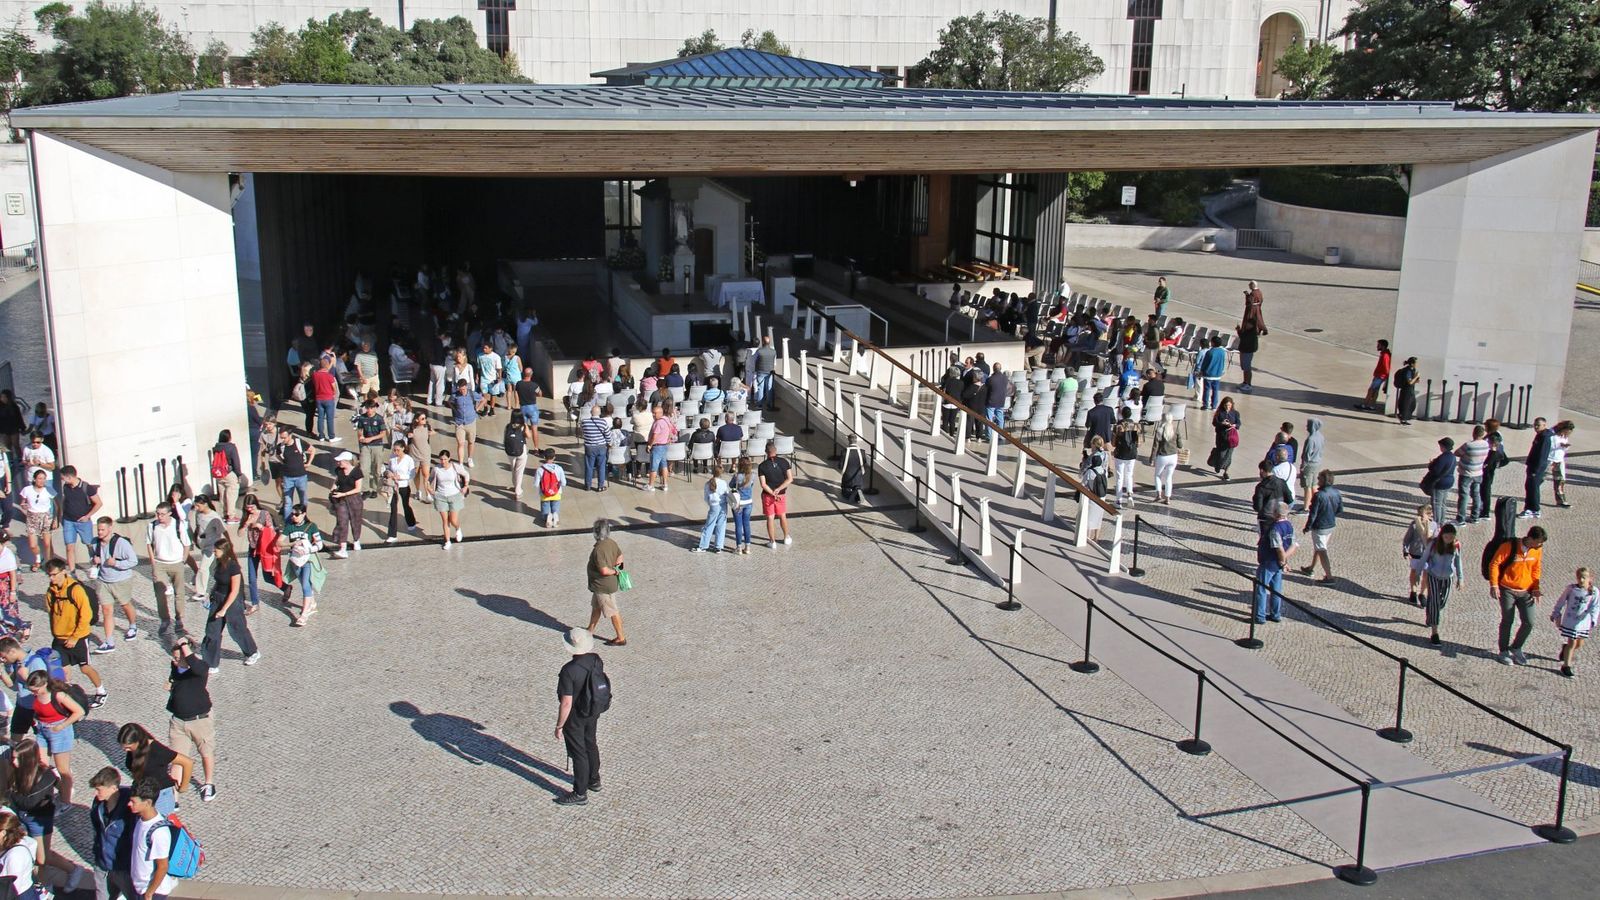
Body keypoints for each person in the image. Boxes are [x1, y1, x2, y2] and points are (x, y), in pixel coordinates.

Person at [9, 733, 87, 890]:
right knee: (37, 854)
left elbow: (29, 801)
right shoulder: (19, 772)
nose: (13, 761)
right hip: (24, 817)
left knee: (41, 857)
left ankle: (64, 874)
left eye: (17, 758)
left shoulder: (45, 776)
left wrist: (62, 801)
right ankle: (45, 883)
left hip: (39, 819)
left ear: (27, 759)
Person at [554, 628, 607, 806]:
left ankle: (580, 792)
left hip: (575, 716)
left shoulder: (568, 671)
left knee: (578, 752)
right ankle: (594, 780)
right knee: (590, 743)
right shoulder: (595, 660)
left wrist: (559, 725)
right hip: (592, 709)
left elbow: (566, 703)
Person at [43, 559, 106, 708]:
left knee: (85, 668)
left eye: (54, 575)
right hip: (59, 638)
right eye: (49, 575)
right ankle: (67, 697)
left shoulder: (75, 590)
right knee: (63, 670)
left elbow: (86, 615)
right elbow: (50, 610)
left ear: (63, 572)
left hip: (77, 638)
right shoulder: (51, 591)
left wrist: (75, 636)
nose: (51, 578)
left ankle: (101, 691)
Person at [165, 637, 216, 801]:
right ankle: (174, 798)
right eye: (174, 657)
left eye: (179, 658)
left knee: (205, 752)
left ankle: (208, 783)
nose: (176, 660)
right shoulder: (175, 668)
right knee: (177, 759)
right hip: (178, 721)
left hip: (200, 720)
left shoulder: (199, 668)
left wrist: (185, 647)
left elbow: (198, 667)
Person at [1489, 524, 1545, 666]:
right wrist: (1494, 585)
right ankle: (1503, 651)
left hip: (1526, 591)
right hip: (1507, 589)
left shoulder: (1537, 550)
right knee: (1507, 620)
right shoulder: (1509, 547)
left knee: (1529, 622)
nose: (1540, 546)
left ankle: (1516, 647)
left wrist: (1535, 588)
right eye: (1538, 542)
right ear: (1530, 538)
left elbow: (1536, 569)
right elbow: (1495, 564)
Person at [201, 537, 258, 672]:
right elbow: (217, 582)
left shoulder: (233, 566)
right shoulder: (218, 563)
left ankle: (252, 652)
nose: (214, 551)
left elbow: (234, 590)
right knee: (212, 630)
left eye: (217, 549)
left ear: (224, 550)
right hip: (218, 598)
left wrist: (224, 609)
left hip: (232, 602)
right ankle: (211, 663)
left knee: (237, 629)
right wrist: (210, 595)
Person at [117, 723, 191, 816]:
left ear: (138, 741)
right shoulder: (134, 749)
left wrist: (183, 787)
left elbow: (187, 762)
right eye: (123, 747)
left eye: (128, 747)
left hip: (161, 797)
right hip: (143, 792)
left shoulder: (157, 750)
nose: (125, 750)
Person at [90, 517, 139, 654]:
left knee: (125, 604)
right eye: (98, 529)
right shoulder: (95, 543)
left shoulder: (121, 543)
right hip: (104, 581)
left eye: (102, 529)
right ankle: (109, 641)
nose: (99, 532)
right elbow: (93, 558)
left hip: (121, 580)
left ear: (110, 528)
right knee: (106, 611)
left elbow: (133, 561)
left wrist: (116, 563)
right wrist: (95, 561)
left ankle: (133, 625)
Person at [89, 768, 138, 900]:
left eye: (99, 789)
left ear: (113, 788)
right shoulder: (98, 804)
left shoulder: (129, 807)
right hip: (102, 865)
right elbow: (96, 829)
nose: (96, 793)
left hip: (124, 867)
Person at [128, 777, 180, 899]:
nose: (129, 804)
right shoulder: (140, 820)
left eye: (133, 801)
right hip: (140, 887)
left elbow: (163, 866)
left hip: (152, 891)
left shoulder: (159, 832)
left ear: (147, 803)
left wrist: (150, 893)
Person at [1293, 470, 1342, 584]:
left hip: (1320, 526)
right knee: (1319, 547)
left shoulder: (1319, 495)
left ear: (1324, 480)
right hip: (1330, 525)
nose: (1317, 480)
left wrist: (1307, 527)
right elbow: (1340, 509)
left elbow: (1313, 514)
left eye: (1319, 478)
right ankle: (1311, 568)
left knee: (1321, 549)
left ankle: (1329, 577)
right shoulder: (1336, 492)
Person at [280, 506, 326, 626]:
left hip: (308, 559)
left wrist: (308, 549)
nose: (294, 516)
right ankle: (312, 603)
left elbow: (319, 544)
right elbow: (279, 542)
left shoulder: (311, 526)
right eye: (292, 514)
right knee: (302, 582)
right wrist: (292, 544)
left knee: (306, 584)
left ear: (304, 514)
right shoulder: (289, 526)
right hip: (295, 560)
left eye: (297, 514)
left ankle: (304, 614)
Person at [1420, 524, 1463, 646]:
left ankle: (1431, 613)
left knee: (1441, 603)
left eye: (1451, 537)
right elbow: (1424, 557)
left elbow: (1458, 562)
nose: (1449, 539)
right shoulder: (1434, 544)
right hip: (1433, 575)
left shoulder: (1456, 546)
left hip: (1448, 578)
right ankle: (1435, 632)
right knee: (1435, 601)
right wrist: (1419, 571)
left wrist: (1460, 578)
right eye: (1446, 536)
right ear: (1442, 535)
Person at [1253, 502, 1295, 624]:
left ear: (1276, 513)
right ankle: (1275, 614)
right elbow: (1293, 545)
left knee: (1261, 588)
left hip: (1269, 561)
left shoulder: (1275, 529)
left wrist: (1282, 561)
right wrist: (1284, 561)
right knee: (1276, 590)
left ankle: (1260, 616)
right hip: (1277, 563)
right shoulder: (1289, 525)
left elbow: (1279, 548)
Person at [1551, 568, 1599, 678]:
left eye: (1584, 577)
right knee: (1572, 643)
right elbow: (1561, 601)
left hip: (1583, 622)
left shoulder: (1594, 591)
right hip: (1571, 621)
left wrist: (1593, 619)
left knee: (1579, 644)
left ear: (1590, 578)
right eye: (1579, 577)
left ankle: (1565, 649)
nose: (1581, 580)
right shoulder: (1571, 589)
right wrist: (1556, 613)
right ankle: (1566, 666)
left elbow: (1595, 606)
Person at [54, 466, 102, 570]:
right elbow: (65, 501)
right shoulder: (66, 487)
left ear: (69, 477)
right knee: (69, 547)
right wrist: (61, 516)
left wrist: (87, 516)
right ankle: (72, 571)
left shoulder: (87, 487)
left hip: (83, 522)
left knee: (89, 544)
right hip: (68, 521)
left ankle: (94, 565)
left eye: (63, 478)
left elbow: (98, 503)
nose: (62, 480)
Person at [1451, 425, 1491, 525]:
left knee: (1464, 496)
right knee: (1476, 495)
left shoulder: (1469, 445)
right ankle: (1475, 517)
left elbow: (1456, 453)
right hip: (1478, 473)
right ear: (1483, 434)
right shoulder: (1486, 444)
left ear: (1474, 433)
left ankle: (1460, 519)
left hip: (1466, 473)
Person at [430, 449, 470, 548]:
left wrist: (466, 486)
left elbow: (466, 474)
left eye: (445, 459)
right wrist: (430, 490)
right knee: (445, 520)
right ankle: (447, 541)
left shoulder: (455, 467)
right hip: (440, 496)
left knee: (453, 520)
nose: (443, 462)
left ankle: (457, 528)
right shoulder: (436, 469)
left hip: (454, 495)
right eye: (441, 459)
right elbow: (429, 479)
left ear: (449, 459)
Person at [328, 451, 364, 558]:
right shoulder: (339, 471)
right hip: (341, 499)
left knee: (356, 520)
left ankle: (356, 539)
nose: (338, 463)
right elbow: (337, 481)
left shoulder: (357, 472)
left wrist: (344, 493)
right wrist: (332, 490)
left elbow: (358, 488)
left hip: (354, 499)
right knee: (342, 522)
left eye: (340, 461)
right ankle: (342, 548)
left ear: (347, 461)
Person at [188, 494, 225, 600]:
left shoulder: (214, 517)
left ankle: (201, 592)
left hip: (212, 546)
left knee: (203, 568)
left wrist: (221, 546)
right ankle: (221, 583)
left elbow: (222, 531)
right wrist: (196, 539)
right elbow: (198, 527)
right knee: (213, 568)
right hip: (203, 544)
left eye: (198, 506)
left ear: (205, 504)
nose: (196, 508)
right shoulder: (198, 514)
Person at [759, 441, 793, 549]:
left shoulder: (762, 466)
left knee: (770, 517)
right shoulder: (784, 462)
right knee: (782, 515)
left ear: (766, 452)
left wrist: (773, 492)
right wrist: (779, 490)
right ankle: (786, 537)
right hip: (781, 494)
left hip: (768, 495)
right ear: (776, 451)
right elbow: (790, 479)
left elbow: (763, 484)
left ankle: (772, 541)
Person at [383, 440, 419, 543]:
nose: (395, 452)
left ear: (403, 448)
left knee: (405, 505)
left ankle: (411, 522)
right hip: (393, 486)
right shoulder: (392, 458)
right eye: (394, 450)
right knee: (393, 509)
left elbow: (411, 474)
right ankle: (392, 534)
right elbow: (388, 469)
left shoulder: (409, 460)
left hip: (403, 486)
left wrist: (400, 477)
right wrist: (388, 473)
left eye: (398, 450)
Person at [19, 468, 54, 572]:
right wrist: (23, 505)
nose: (42, 481)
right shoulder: (27, 489)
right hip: (32, 516)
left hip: (45, 516)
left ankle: (49, 562)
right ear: (34, 479)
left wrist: (55, 518)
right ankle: (38, 558)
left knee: (47, 543)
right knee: (33, 545)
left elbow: (56, 505)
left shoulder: (49, 489)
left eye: (44, 479)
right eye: (40, 478)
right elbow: (23, 502)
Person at [1402, 504, 1437, 606]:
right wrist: (1405, 550)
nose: (1420, 518)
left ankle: (1423, 594)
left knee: (1426, 575)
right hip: (1416, 553)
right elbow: (1407, 539)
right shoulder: (1414, 525)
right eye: (1419, 515)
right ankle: (1413, 591)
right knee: (1414, 573)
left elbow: (1436, 540)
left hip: (1428, 555)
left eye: (1423, 515)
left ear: (1430, 515)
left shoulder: (1434, 525)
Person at [352, 399, 387, 499]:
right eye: (368, 408)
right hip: (365, 446)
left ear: (375, 408)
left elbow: (383, 433)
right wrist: (361, 437)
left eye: (371, 408)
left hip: (377, 445)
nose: (369, 410)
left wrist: (371, 438)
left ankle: (375, 488)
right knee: (364, 468)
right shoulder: (362, 418)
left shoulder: (379, 419)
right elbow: (360, 430)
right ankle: (365, 489)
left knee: (376, 469)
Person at [1235, 283, 1266, 393]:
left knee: (1246, 367)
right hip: (1246, 348)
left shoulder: (1250, 329)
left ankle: (1248, 383)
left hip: (1247, 349)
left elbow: (1243, 336)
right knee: (1244, 366)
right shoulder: (1250, 325)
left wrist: (1239, 330)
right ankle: (1245, 382)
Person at [448, 378, 485, 469]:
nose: (462, 391)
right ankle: (460, 463)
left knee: (471, 441)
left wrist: (477, 409)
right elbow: (449, 402)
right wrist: (454, 409)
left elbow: (483, 400)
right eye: (460, 389)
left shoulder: (472, 394)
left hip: (471, 421)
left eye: (463, 389)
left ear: (466, 387)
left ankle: (469, 458)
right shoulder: (455, 395)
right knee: (460, 443)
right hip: (459, 423)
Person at [1520, 417, 1552, 520]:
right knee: (1529, 486)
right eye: (1535, 425)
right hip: (1533, 466)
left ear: (1544, 425)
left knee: (1533, 488)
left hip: (1536, 468)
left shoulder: (1544, 437)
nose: (1536, 427)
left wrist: (1536, 470)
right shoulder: (1540, 435)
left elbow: (1542, 455)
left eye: (1538, 425)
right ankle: (1529, 507)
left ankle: (1534, 509)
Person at [694, 466, 730, 552]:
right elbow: (727, 493)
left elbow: (706, 498)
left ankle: (703, 546)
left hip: (714, 505)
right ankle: (718, 546)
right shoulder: (723, 483)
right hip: (723, 505)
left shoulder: (708, 484)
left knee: (709, 525)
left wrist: (710, 504)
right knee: (721, 526)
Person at [1251, 460, 1293, 535]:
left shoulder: (1261, 487)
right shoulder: (1281, 482)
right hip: (1279, 516)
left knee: (1265, 540)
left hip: (1265, 518)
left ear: (1262, 470)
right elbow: (1289, 499)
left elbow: (1258, 507)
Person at [1422, 437, 1457, 525]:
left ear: (1443, 446)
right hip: (1449, 481)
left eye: (1440, 446)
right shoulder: (1452, 456)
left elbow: (1435, 471)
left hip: (1440, 483)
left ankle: (1437, 522)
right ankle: (1442, 520)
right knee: (1443, 503)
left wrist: (1431, 465)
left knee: (1436, 503)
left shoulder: (1443, 457)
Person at [1110, 407, 1140, 506]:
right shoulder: (1136, 426)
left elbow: (1113, 443)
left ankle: (1119, 500)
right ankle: (1130, 495)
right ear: (1130, 414)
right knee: (1129, 474)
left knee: (1119, 477)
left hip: (1120, 453)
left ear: (1122, 414)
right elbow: (1138, 443)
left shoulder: (1118, 426)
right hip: (1132, 453)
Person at [645, 405, 678, 492]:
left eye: (655, 413)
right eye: (652, 413)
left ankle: (651, 485)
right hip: (664, 445)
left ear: (660, 413)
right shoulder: (666, 419)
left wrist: (649, 445)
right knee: (664, 466)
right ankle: (665, 484)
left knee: (653, 467)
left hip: (657, 447)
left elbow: (655, 436)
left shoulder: (658, 422)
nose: (653, 415)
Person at [1208, 397, 1240, 481]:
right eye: (1226, 405)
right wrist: (1221, 423)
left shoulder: (1235, 413)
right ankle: (1217, 464)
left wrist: (1234, 425)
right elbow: (1214, 423)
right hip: (1221, 437)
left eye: (1229, 405)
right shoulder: (1219, 413)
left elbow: (1239, 423)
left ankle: (1226, 472)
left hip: (1231, 438)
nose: (1228, 407)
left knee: (1229, 455)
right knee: (1221, 454)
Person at [729, 458, 756, 555]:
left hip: (738, 504)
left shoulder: (737, 476)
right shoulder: (753, 475)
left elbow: (731, 485)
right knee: (747, 524)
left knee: (738, 525)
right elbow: (751, 486)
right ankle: (748, 547)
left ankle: (739, 547)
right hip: (748, 502)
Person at [581, 407, 611, 491]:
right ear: (600, 413)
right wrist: (608, 443)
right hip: (601, 447)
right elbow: (608, 436)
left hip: (589, 447)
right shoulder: (603, 422)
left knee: (589, 466)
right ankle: (600, 486)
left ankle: (587, 485)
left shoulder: (584, 422)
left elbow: (582, 432)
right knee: (601, 467)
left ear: (591, 412)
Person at [1357, 339, 1392, 411]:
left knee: (1371, 390)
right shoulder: (1384, 354)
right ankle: (1372, 405)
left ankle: (1365, 404)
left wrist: (1386, 377)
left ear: (1383, 346)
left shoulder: (1385, 355)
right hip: (1380, 376)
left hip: (1380, 376)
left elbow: (1386, 367)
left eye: (1378, 345)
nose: (1377, 346)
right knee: (1375, 391)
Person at [311, 356, 339, 442]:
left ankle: (321, 436)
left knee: (320, 418)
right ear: (327, 366)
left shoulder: (315, 375)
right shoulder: (329, 376)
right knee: (329, 419)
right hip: (328, 399)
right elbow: (334, 388)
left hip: (319, 399)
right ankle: (331, 437)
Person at [1549, 420, 1575, 509]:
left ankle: (1561, 501)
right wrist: (1560, 445)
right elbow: (1549, 446)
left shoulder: (1564, 436)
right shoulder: (1552, 434)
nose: (1567, 434)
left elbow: (1562, 449)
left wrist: (1565, 446)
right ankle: (1532, 497)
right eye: (1566, 431)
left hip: (1559, 460)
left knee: (1560, 481)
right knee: (1539, 480)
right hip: (1550, 460)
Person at [536, 449, 565, 528]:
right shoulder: (559, 468)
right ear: (554, 457)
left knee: (544, 513)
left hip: (544, 494)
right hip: (557, 493)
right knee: (555, 508)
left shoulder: (540, 469)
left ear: (544, 457)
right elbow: (564, 483)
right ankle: (555, 516)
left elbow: (536, 484)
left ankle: (547, 517)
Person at [1299, 418, 1325, 501]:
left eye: (1308, 425)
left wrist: (1303, 466)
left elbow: (1307, 454)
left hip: (1309, 465)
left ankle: (1306, 508)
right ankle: (1316, 502)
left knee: (1307, 486)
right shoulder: (1321, 437)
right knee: (1314, 485)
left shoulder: (1311, 439)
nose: (1307, 427)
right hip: (1317, 463)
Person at [983, 366, 1011, 437]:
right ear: (1000, 368)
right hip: (1001, 401)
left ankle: (989, 435)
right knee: (1000, 419)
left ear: (993, 369)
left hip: (991, 401)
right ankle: (1000, 435)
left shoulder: (990, 379)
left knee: (989, 420)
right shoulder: (1005, 378)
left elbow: (986, 389)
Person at [751, 335, 777, 410]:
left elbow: (754, 360)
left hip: (761, 371)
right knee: (769, 387)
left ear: (762, 342)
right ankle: (769, 404)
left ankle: (759, 404)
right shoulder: (773, 351)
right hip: (770, 372)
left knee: (760, 388)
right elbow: (774, 362)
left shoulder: (759, 351)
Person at [1393, 357, 1419, 425]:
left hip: (1410, 390)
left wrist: (1416, 380)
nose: (1417, 364)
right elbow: (1409, 382)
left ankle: (1405, 418)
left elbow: (1412, 382)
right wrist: (1416, 376)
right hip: (1406, 391)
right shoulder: (1407, 371)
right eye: (1416, 363)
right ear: (1412, 363)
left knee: (1411, 405)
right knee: (1405, 405)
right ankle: (1402, 418)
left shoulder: (1412, 370)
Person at [840, 436, 866, 504]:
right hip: (858, 477)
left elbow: (840, 466)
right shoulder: (862, 452)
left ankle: (848, 494)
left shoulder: (844, 452)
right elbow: (864, 463)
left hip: (848, 478)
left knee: (845, 491)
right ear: (856, 441)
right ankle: (858, 490)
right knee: (857, 485)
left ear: (849, 440)